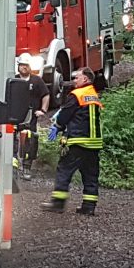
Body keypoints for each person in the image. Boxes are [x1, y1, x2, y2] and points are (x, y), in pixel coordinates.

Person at [50, 66, 105, 216]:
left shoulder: (77, 95)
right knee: (91, 176)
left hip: (78, 141)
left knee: (64, 170)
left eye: (77, 77)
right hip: (94, 144)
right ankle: (89, 206)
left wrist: (58, 126)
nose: (74, 80)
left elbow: (65, 115)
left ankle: (58, 203)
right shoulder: (93, 95)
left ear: (85, 79)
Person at [2, 60, 48, 175]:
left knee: (31, 140)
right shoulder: (13, 80)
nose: (24, 67)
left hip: (31, 116)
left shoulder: (37, 80)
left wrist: (43, 110)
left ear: (30, 66)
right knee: (11, 137)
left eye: (26, 65)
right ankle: (13, 165)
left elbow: (46, 95)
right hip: (15, 115)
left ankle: (27, 167)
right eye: (21, 65)